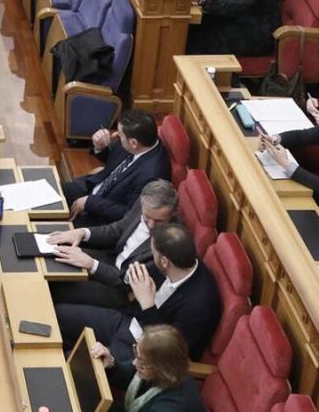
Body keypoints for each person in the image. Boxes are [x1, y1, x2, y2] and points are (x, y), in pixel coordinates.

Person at [56, 222, 221, 387]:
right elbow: (130, 281)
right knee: (58, 316)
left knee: (77, 368)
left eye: (153, 253)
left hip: (144, 355)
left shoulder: (200, 306)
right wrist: (129, 276)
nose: (151, 257)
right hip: (126, 322)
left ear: (164, 261)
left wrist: (147, 305)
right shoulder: (178, 262)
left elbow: (170, 353)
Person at [47, 179, 179, 311]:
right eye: (146, 218)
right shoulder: (145, 202)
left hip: (119, 290)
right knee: (52, 257)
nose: (150, 225)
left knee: (57, 289)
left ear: (172, 214)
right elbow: (119, 229)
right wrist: (82, 233)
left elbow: (130, 283)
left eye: (159, 221)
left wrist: (92, 264)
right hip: (109, 260)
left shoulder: (170, 245)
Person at [62, 109, 170, 228]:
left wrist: (90, 203)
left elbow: (130, 213)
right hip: (90, 189)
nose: (114, 135)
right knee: (48, 192)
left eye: (119, 134)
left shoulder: (152, 175)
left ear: (133, 143)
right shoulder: (142, 141)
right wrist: (100, 147)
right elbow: (114, 161)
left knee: (56, 230)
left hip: (104, 218)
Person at [90, 324, 206, 412]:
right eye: (137, 354)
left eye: (142, 363)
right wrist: (111, 363)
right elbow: (127, 375)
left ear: (163, 370)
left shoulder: (170, 406)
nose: (135, 363)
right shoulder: (154, 366)